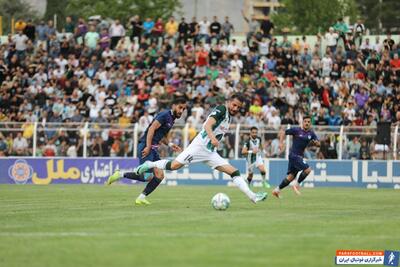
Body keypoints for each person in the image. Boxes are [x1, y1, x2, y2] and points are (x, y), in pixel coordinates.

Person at [134, 94, 268, 204]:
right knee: (174, 166)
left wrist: (214, 141)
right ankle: (149, 164)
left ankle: (252, 196)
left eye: (238, 107)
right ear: (229, 102)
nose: (235, 108)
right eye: (234, 105)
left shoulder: (229, 117)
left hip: (210, 152)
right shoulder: (222, 109)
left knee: (234, 172)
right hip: (199, 147)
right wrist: (213, 138)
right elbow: (208, 125)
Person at [107, 97, 187, 205]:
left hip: (153, 148)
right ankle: (120, 174)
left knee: (160, 175)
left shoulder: (171, 119)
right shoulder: (164, 115)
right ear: (173, 106)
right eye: (180, 107)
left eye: (184, 109)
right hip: (146, 145)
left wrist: (170, 144)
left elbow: (160, 134)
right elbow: (151, 129)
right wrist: (148, 146)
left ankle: (141, 198)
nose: (181, 111)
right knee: (147, 177)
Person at [272, 116, 320, 198]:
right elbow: (283, 132)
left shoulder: (311, 133)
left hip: (299, 156)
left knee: (291, 176)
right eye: (305, 121)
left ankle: (276, 190)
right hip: (294, 155)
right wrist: (281, 143)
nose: (307, 123)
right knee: (308, 170)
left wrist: (316, 143)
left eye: (308, 122)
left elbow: (318, 144)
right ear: (302, 122)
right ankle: (297, 185)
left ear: (310, 123)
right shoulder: (296, 130)